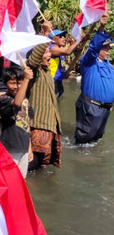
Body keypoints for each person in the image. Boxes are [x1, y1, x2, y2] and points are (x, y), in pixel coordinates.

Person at [75, 15, 114, 144]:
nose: (108, 51)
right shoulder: (89, 62)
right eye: (105, 48)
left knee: (97, 137)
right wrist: (101, 28)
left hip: (105, 108)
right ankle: (79, 159)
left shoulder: (109, 66)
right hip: (91, 106)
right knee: (85, 137)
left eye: (109, 49)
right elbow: (93, 49)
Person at [27, 44, 62, 170]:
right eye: (46, 53)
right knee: (33, 161)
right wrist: (45, 37)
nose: (50, 55)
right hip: (39, 124)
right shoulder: (34, 71)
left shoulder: (46, 71)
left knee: (43, 163)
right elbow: (33, 60)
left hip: (49, 124)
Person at [0, 66, 34, 178]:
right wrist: (26, 80)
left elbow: (27, 123)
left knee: (21, 179)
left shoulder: (25, 100)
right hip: (10, 147)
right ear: (5, 84)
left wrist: (29, 148)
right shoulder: (4, 99)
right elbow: (17, 103)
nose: (16, 87)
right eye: (12, 83)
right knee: (10, 178)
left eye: (19, 83)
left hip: (23, 147)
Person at [45, 22, 79, 99]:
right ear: (53, 39)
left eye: (64, 36)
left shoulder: (59, 50)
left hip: (59, 82)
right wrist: (78, 41)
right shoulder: (52, 48)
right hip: (52, 82)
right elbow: (68, 51)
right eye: (60, 36)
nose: (63, 38)